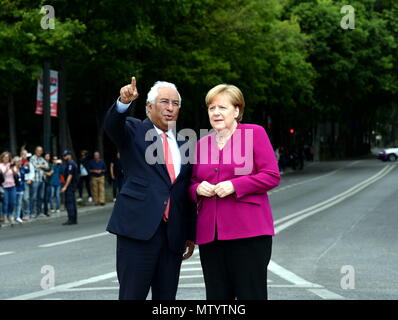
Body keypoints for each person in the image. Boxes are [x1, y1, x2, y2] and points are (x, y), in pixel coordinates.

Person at [104, 76, 196, 300]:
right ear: (149, 106)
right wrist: (123, 103)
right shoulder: (133, 130)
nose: (170, 108)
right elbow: (112, 126)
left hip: (172, 237)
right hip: (138, 232)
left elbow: (185, 191)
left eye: (175, 104)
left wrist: (189, 233)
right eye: (164, 102)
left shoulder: (185, 143)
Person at [189, 84, 280, 300]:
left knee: (251, 295)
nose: (216, 113)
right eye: (212, 108)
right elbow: (191, 182)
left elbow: (271, 175)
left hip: (249, 234)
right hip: (211, 236)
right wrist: (197, 189)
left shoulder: (254, 133)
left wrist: (235, 185)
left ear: (237, 111)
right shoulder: (202, 143)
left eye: (222, 107)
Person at [29, 146, 49, 217]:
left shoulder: (42, 158)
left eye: (41, 151)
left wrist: (40, 166)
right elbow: (35, 167)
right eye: (38, 150)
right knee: (33, 197)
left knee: (40, 197)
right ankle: (31, 213)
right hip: (35, 180)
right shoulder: (32, 158)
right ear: (35, 151)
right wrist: (42, 166)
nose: (39, 152)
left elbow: (47, 166)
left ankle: (39, 213)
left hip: (42, 180)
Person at [0, 152, 18, 224]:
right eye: (5, 157)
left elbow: (16, 174)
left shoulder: (11, 165)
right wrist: (7, 169)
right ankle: (4, 217)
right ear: (2, 158)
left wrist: (12, 168)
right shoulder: (0, 165)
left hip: (12, 186)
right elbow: (1, 176)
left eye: (7, 157)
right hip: (4, 186)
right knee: (5, 202)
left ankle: (10, 216)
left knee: (12, 202)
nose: (6, 159)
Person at [61, 150, 78, 225]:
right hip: (72, 185)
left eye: (65, 155)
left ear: (69, 155)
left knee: (69, 202)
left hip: (70, 186)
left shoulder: (71, 163)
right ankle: (74, 219)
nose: (64, 157)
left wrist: (65, 186)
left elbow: (70, 176)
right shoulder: (70, 163)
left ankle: (71, 219)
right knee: (72, 202)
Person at [14, 156, 28, 223]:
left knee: (19, 203)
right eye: (17, 161)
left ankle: (18, 216)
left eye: (19, 161)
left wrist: (26, 165)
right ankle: (12, 216)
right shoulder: (13, 169)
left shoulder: (22, 168)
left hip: (21, 188)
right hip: (14, 188)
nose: (19, 162)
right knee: (13, 203)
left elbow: (28, 171)